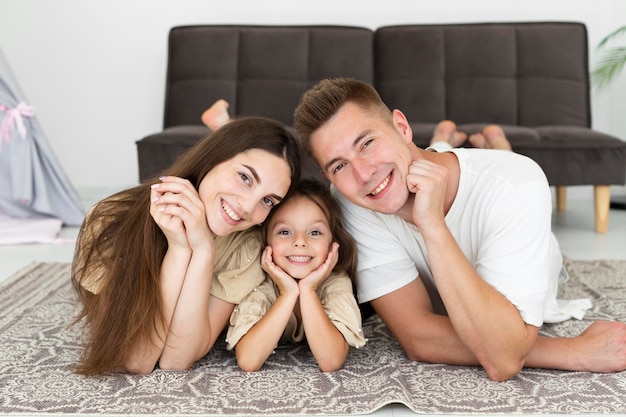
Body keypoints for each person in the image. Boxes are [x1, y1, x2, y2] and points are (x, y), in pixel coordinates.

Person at [292, 77, 626, 381]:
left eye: (366, 143)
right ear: (329, 177)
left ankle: (492, 144)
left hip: (529, 235)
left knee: (499, 169)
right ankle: (446, 142)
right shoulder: (351, 198)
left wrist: (432, 224)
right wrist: (570, 351)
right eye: (339, 166)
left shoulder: (517, 185)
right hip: (431, 165)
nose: (363, 174)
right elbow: (420, 337)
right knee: (420, 162)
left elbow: (504, 358)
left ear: (401, 126)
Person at [71, 116, 301, 375]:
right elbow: (137, 358)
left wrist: (202, 250)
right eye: (245, 178)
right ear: (213, 157)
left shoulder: (245, 245)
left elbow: (176, 361)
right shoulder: (107, 222)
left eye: (268, 201)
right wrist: (179, 249)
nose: (248, 208)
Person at [225, 177, 366, 372]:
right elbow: (249, 361)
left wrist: (309, 289)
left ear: (333, 241)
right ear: (265, 240)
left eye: (315, 232)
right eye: (284, 232)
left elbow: (331, 361)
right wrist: (288, 293)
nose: (300, 242)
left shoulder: (335, 281)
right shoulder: (258, 282)